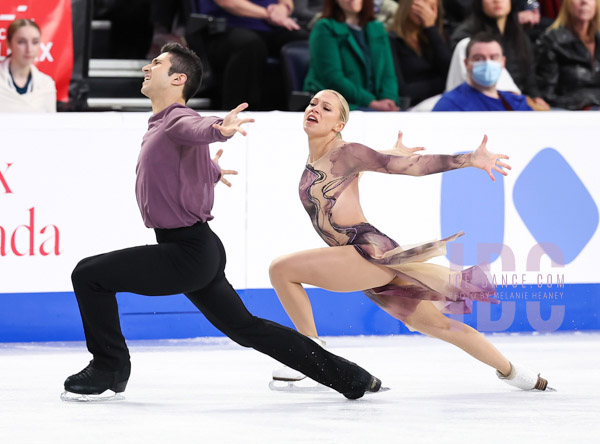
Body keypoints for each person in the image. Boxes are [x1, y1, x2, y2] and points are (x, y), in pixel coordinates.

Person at [62, 44, 383, 401]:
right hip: (196, 249)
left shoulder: (177, 119)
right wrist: (209, 170)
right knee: (247, 328)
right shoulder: (163, 124)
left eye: (156, 63)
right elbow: (178, 161)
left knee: (88, 275)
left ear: (178, 79)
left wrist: (221, 128)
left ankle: (110, 367)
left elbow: (198, 127)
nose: (146, 68)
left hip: (187, 251)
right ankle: (351, 377)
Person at [269, 88, 552, 392]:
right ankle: (519, 375)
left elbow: (413, 167)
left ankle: (310, 353)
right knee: (438, 326)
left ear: (339, 125)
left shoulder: (346, 152)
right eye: (313, 103)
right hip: (357, 257)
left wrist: (468, 159)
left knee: (281, 270)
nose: (315, 109)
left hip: (364, 250)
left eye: (326, 108)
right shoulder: (321, 158)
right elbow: (377, 161)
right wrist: (390, 153)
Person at [191, 0, 308, 110]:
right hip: (225, 27)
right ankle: (239, 112)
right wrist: (269, 14)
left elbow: (287, 3)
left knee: (305, 39)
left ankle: (308, 106)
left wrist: (283, 8)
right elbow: (228, 3)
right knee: (249, 44)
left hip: (273, 25)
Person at [447, 0, 550, 110]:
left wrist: (535, 96)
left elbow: (529, 73)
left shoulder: (518, 33)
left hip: (518, 100)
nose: (497, 1)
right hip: (482, 102)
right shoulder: (466, 37)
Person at [303, 0, 400, 111]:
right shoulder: (324, 27)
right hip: (339, 105)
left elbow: (388, 74)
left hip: (378, 105)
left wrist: (389, 99)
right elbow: (333, 78)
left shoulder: (377, 28)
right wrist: (371, 102)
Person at [433, 32, 533, 110]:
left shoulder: (517, 103)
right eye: (478, 58)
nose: (487, 63)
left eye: (493, 57)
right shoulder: (450, 105)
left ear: (503, 62)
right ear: (466, 63)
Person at [535, 0, 600, 110]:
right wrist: (588, 103)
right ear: (566, 4)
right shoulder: (551, 40)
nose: (584, 2)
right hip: (568, 113)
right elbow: (547, 94)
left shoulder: (598, 39)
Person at [388, 0, 452, 107]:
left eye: (432, 6)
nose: (426, 11)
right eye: (423, 3)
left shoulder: (437, 37)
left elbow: (451, 73)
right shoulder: (391, 40)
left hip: (441, 104)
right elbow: (402, 91)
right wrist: (442, 83)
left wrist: (431, 28)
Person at [0, 19, 56, 112]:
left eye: (35, 42)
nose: (29, 49)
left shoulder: (46, 85)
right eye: (21, 42)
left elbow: (50, 123)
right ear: (9, 44)